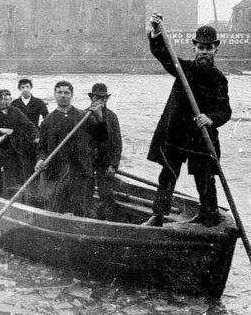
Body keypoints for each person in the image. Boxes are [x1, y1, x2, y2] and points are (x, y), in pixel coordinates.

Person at [142, 12, 232, 227]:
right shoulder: (182, 68)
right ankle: (158, 216)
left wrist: (210, 119)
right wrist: (156, 32)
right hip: (176, 134)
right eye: (201, 48)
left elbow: (225, 110)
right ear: (194, 48)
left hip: (201, 136)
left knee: (205, 178)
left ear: (215, 50)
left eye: (209, 48)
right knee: (168, 175)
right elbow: (163, 53)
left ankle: (208, 215)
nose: (204, 52)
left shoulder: (219, 79)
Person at [34, 80, 104, 217]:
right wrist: (40, 160)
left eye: (67, 93)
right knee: (57, 206)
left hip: (80, 170)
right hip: (57, 170)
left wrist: (100, 116)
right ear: (54, 95)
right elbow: (41, 148)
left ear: (72, 95)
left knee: (80, 207)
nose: (63, 95)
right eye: (59, 92)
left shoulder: (84, 116)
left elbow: (101, 137)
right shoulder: (48, 121)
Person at [0, 89, 38, 196]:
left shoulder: (15, 111)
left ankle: (10, 198)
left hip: (10, 149)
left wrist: (36, 136)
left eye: (6, 99)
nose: (3, 102)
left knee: (13, 175)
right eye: (0, 99)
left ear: (10, 100)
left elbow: (29, 125)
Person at [87, 83, 122, 220]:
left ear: (106, 100)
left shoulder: (112, 117)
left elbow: (117, 143)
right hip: (88, 161)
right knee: (86, 191)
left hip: (105, 162)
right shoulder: (83, 114)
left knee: (106, 193)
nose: (99, 100)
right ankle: (89, 219)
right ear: (92, 98)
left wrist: (113, 164)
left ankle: (109, 221)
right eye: (96, 97)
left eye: (102, 98)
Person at [11, 78, 49, 177]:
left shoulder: (38, 102)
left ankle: (35, 180)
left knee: (35, 157)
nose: (25, 89)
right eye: (22, 87)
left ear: (31, 88)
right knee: (22, 160)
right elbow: (10, 120)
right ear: (19, 89)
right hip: (20, 135)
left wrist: (42, 131)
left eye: (27, 87)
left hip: (35, 134)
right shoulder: (15, 103)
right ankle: (24, 181)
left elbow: (47, 118)